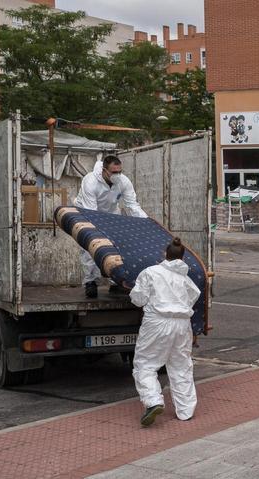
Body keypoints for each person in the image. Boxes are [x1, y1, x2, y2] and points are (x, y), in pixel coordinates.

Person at [129, 237, 200, 427]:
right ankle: (185, 411)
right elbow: (194, 295)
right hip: (183, 324)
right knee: (181, 366)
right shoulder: (185, 278)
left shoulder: (151, 272)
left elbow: (138, 299)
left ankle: (153, 401)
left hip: (157, 323)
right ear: (182, 258)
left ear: (164, 255)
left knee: (145, 364)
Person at [75, 155, 148, 298]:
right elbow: (91, 212)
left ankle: (115, 281)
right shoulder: (90, 182)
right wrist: (100, 231)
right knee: (90, 246)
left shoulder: (123, 181)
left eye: (119, 171)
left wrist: (145, 221)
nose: (118, 175)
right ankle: (91, 282)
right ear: (104, 170)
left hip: (112, 214)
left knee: (116, 246)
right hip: (87, 212)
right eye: (114, 172)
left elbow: (132, 205)